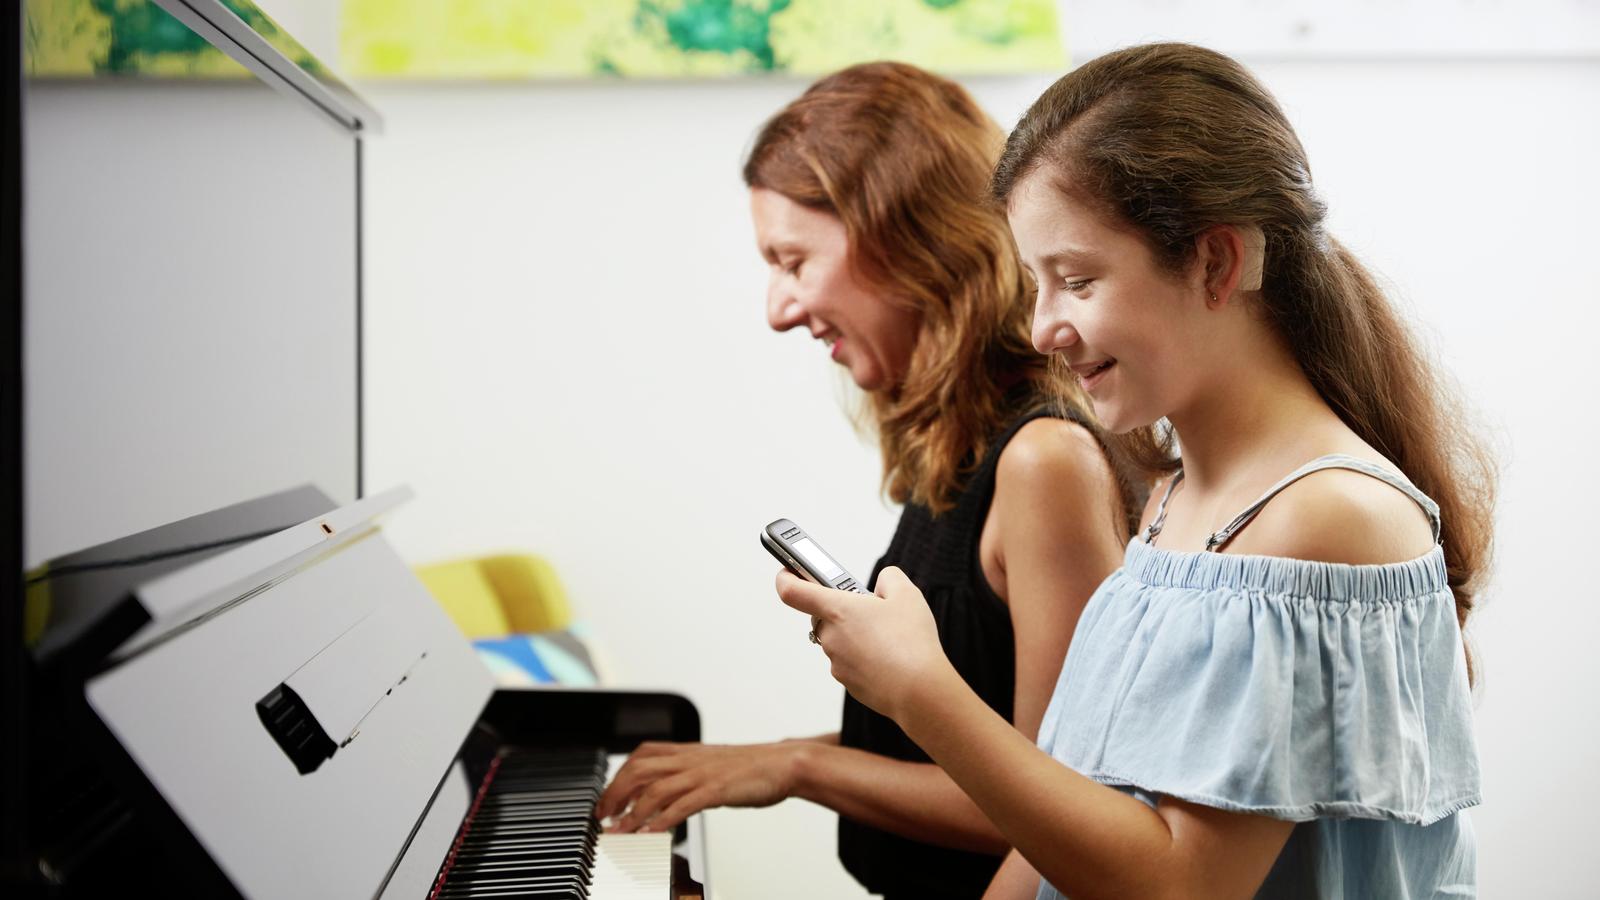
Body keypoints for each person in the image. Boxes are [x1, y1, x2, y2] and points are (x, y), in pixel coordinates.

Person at [778, 43, 1497, 899]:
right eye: (1035, 283)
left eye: (1076, 280)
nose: (1044, 326)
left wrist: (922, 693)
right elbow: (1076, 805)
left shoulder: (1329, 517)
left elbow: (1179, 884)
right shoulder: (1174, 496)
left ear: (1216, 263)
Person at [597, 62, 1144, 899]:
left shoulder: (1043, 461)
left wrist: (799, 766)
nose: (778, 309)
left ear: (905, 237)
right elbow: (960, 741)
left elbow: (1049, 804)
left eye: (793, 261)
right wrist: (764, 758)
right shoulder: (961, 452)